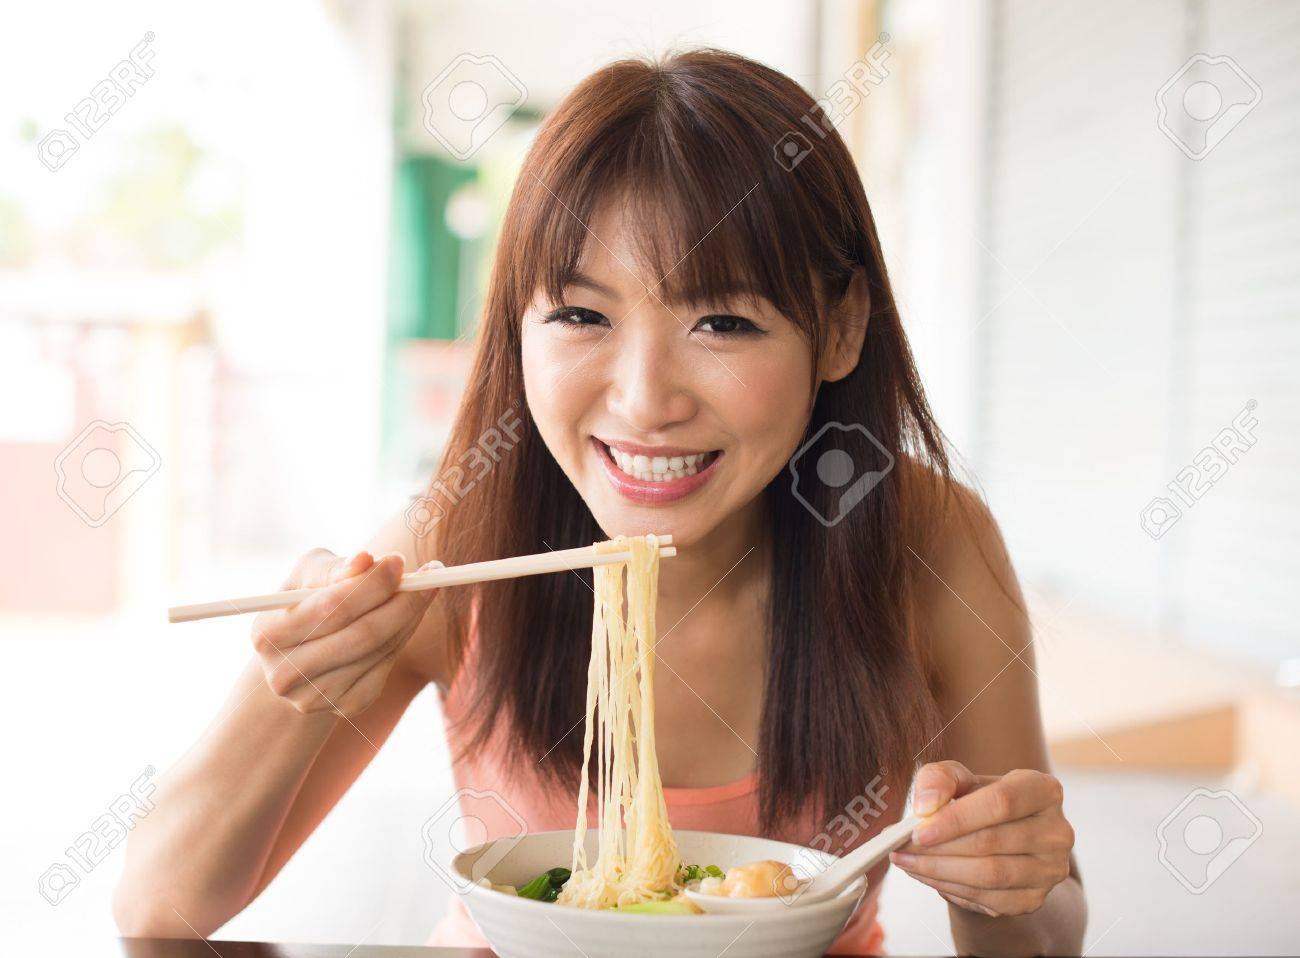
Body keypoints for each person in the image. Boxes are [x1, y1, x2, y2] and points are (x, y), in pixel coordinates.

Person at [116, 49, 1085, 955]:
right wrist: (288, 687)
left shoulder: (926, 543)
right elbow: (158, 907)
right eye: (582, 315)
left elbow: (1046, 928)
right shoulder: (452, 552)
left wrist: (1002, 879)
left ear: (839, 331)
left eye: (722, 320)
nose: (643, 400)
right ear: (517, 326)